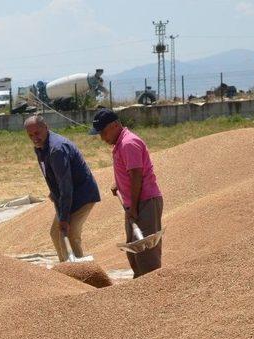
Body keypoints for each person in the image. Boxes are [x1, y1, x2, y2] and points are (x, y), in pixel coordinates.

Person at [90, 108, 163, 278]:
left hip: (144, 202)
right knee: (134, 250)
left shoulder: (128, 143)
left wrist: (135, 207)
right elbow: (130, 171)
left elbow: (136, 175)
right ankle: (140, 286)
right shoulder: (120, 144)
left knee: (146, 252)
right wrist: (119, 184)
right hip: (135, 203)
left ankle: (153, 288)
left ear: (115, 125)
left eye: (104, 132)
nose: (102, 138)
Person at [25, 115, 101, 262]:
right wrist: (54, 192)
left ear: (46, 127)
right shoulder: (41, 147)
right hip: (67, 195)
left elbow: (66, 186)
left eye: (37, 133)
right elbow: (55, 176)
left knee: (69, 234)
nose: (34, 137)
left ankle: (83, 274)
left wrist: (64, 218)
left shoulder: (56, 149)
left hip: (81, 196)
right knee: (56, 233)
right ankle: (67, 270)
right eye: (30, 135)